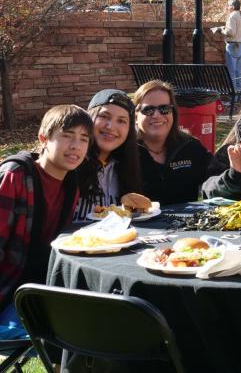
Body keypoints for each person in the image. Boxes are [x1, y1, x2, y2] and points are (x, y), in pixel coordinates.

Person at [0, 105, 92, 339]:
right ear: (43, 138)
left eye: (83, 139)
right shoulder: (16, 175)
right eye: (67, 136)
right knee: (68, 336)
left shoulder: (71, 182)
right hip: (8, 295)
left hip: (40, 290)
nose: (75, 146)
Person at [134, 80, 212, 204]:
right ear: (135, 116)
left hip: (184, 222)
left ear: (173, 113)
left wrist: (236, 173)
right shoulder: (125, 151)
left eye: (164, 108)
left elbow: (214, 181)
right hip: (136, 223)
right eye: (148, 109)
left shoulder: (190, 147)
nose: (157, 115)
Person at [73, 89, 144, 222]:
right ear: (89, 119)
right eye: (104, 116)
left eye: (121, 121)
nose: (111, 126)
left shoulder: (127, 167)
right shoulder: (70, 163)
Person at [215, 0, 241, 95]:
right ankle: (240, 96)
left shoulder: (232, 16)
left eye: (228, 5)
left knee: (231, 73)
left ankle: (233, 97)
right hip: (240, 46)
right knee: (238, 73)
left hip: (232, 46)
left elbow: (231, 33)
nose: (227, 7)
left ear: (232, 6)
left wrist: (221, 30)